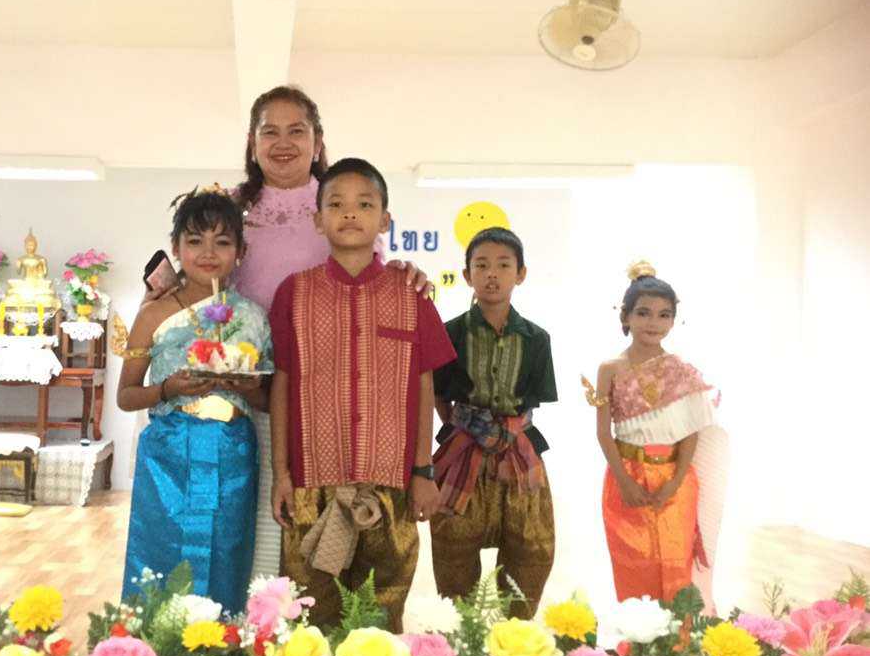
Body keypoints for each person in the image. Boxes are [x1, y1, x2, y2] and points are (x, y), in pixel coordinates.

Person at [229, 85, 431, 581]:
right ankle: (258, 626)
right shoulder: (230, 209)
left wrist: (407, 272)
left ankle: (313, 624)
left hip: (320, 399)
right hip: (241, 390)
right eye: (269, 132)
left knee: (301, 534)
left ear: (318, 141)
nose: (283, 143)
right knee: (246, 530)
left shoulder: (337, 200)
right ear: (252, 143)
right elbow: (198, 274)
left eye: (296, 130)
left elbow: (371, 276)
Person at [269, 158, 455, 631]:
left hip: (390, 488)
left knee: (381, 622)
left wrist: (423, 471)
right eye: (336, 204)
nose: (350, 213)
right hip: (312, 487)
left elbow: (424, 385)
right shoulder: (294, 293)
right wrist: (281, 474)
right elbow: (283, 383)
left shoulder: (411, 294)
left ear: (385, 220)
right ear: (318, 219)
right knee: (310, 624)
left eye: (365, 204)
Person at [117, 187, 274, 614]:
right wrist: (167, 390)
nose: (208, 253)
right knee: (161, 557)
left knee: (226, 555)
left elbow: (268, 400)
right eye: (194, 241)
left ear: (240, 252)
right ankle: (154, 646)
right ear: (175, 248)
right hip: (168, 453)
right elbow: (126, 396)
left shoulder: (253, 316)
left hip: (233, 451)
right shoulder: (153, 314)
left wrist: (245, 387)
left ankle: (221, 647)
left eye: (222, 242)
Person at [430, 227, 557, 618]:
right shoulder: (449, 333)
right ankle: (461, 631)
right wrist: (463, 428)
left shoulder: (537, 338)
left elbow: (534, 400)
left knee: (532, 545)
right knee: (453, 543)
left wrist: (504, 432)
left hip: (519, 451)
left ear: (521, 273)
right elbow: (437, 391)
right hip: (462, 451)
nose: (492, 274)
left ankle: (515, 634)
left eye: (504, 265)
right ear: (466, 275)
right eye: (481, 265)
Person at [587, 262, 714, 602]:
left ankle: (678, 634)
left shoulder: (681, 371)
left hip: (675, 480)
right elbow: (603, 433)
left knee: (675, 563)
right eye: (643, 313)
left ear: (673, 321)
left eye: (663, 315)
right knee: (633, 563)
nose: (653, 323)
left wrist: (675, 482)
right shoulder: (610, 369)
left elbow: (690, 433)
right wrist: (624, 481)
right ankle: (637, 633)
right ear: (625, 316)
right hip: (626, 476)